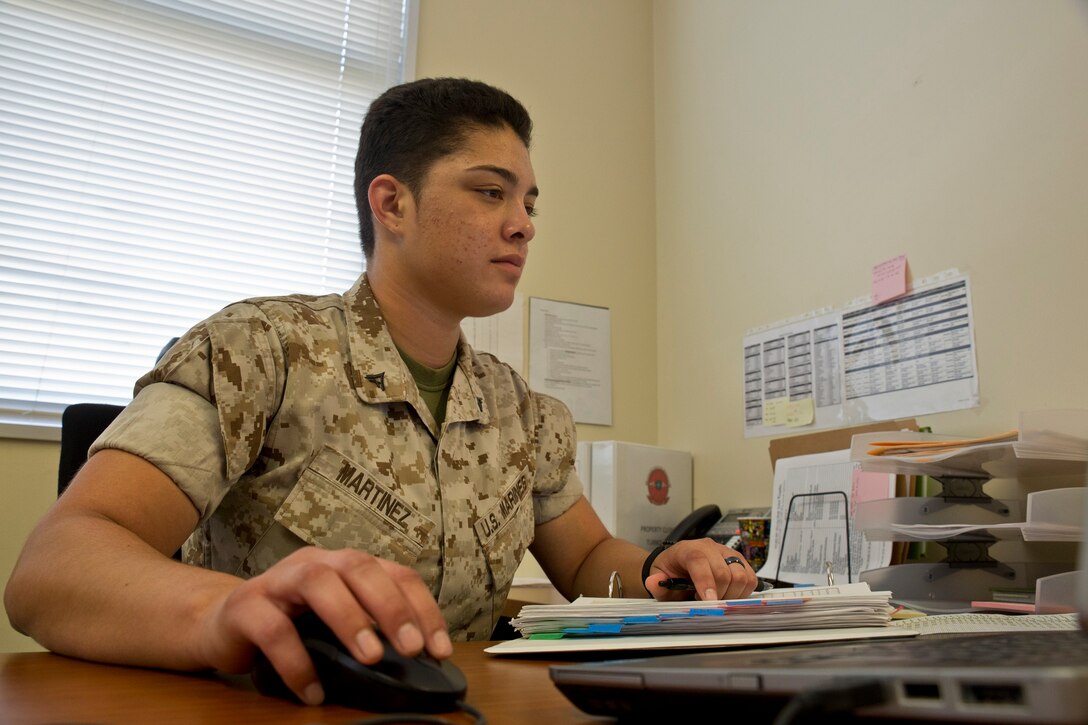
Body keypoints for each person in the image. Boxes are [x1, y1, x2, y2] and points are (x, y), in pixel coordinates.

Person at [4, 77, 757, 706]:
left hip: (456, 707)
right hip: (268, 709)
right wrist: (221, 609)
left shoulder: (524, 412)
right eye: (492, 192)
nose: (523, 224)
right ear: (392, 205)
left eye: (530, 202)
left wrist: (663, 574)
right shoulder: (259, 351)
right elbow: (54, 568)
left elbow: (589, 555)